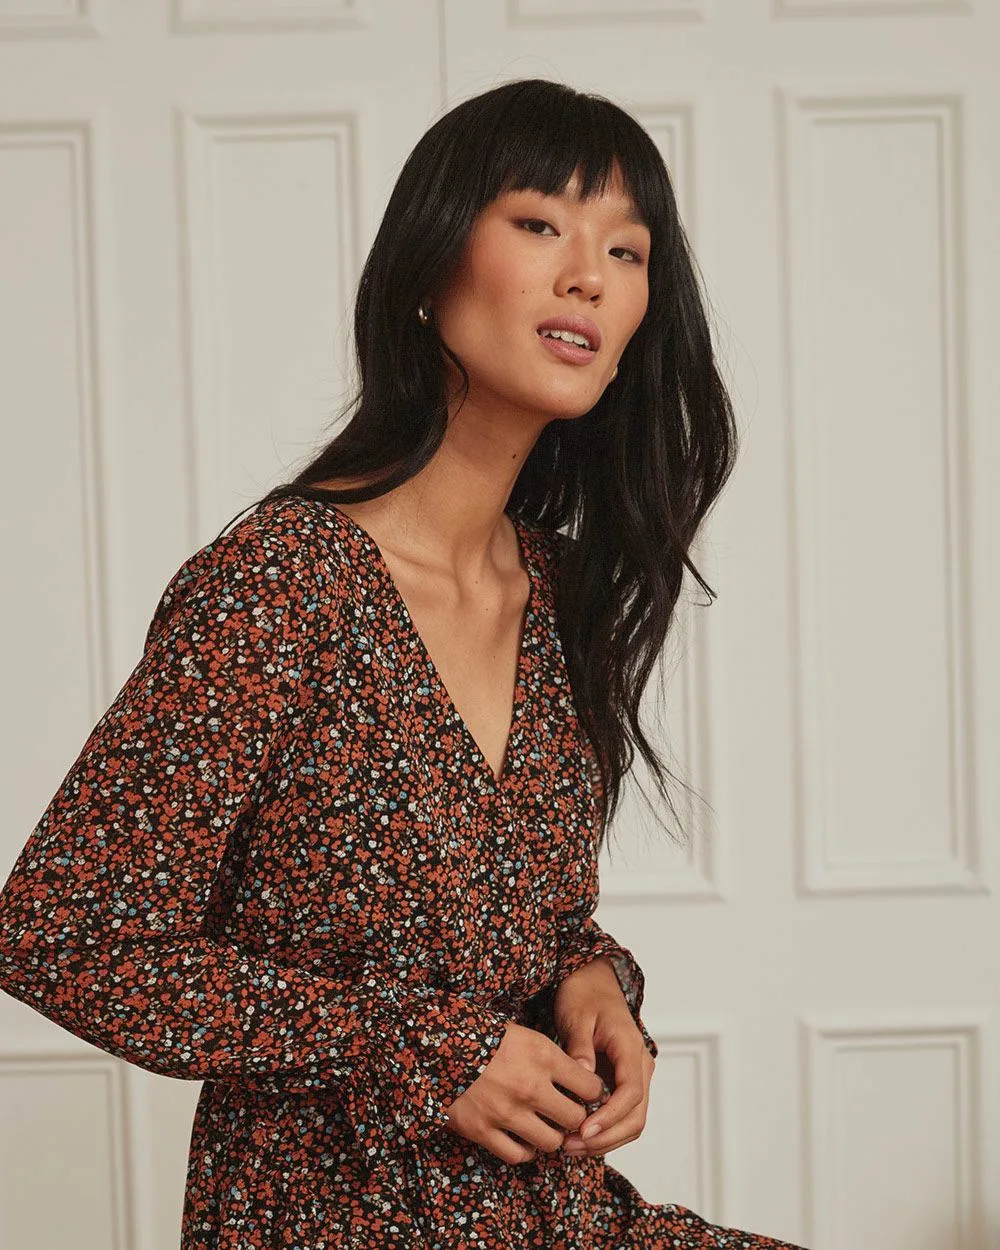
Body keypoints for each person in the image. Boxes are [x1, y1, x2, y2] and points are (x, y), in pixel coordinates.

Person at [0, 78, 807, 1248]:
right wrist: (417, 1049)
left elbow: (493, 917)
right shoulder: (280, 582)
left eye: (626, 250)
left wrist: (588, 978)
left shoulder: (557, 587)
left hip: (551, 1215)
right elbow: (64, 936)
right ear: (428, 268)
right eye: (540, 223)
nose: (588, 274)